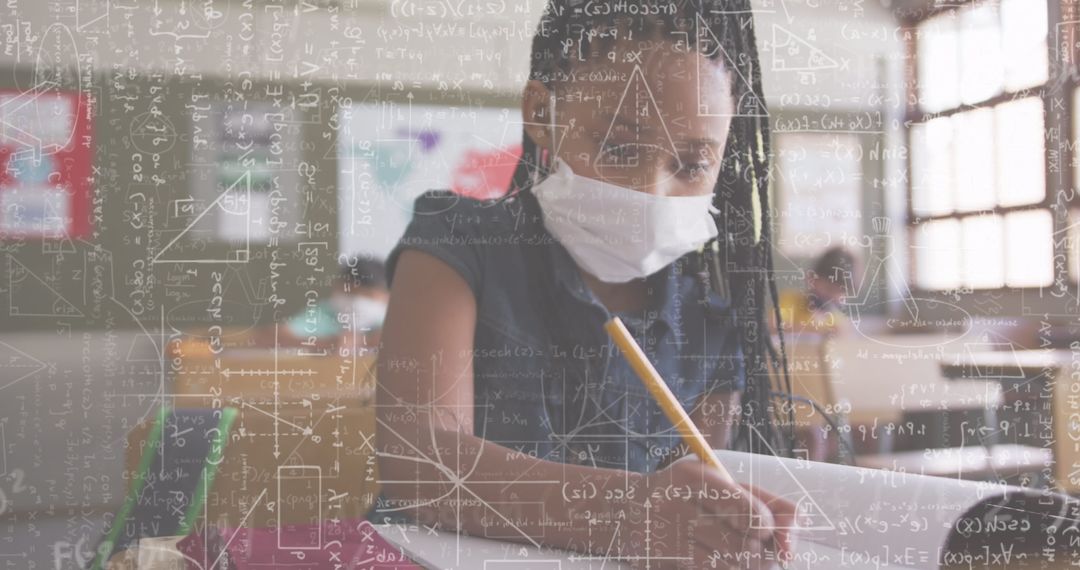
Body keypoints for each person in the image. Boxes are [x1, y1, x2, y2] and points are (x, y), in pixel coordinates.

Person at [376, 2, 797, 568]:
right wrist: (633, 514)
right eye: (619, 148)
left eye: (693, 164)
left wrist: (720, 527)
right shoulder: (458, 243)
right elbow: (421, 465)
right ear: (541, 111)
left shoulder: (713, 327)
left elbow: (693, 502)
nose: (650, 190)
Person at [272, 258, 389, 350]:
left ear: (387, 296)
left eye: (368, 296)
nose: (356, 301)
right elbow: (273, 337)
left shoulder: (390, 320)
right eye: (350, 293)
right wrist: (327, 344)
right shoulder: (323, 313)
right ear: (337, 288)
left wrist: (367, 342)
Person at [777, 247, 857, 334]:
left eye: (839, 292)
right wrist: (815, 327)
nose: (832, 296)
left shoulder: (836, 318)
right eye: (828, 288)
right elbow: (773, 326)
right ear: (811, 278)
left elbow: (844, 334)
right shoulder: (790, 300)